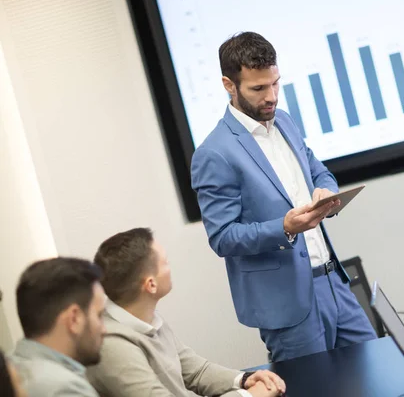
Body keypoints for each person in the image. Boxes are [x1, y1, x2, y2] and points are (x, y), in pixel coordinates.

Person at [190, 31, 377, 362]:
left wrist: (327, 190)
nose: (271, 96)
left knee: (378, 373)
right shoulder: (214, 154)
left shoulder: (285, 121)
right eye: (259, 88)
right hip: (288, 304)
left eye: (275, 84)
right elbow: (222, 237)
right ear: (229, 85)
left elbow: (319, 171)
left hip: (334, 282)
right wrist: (285, 227)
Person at [86, 227, 285, 397]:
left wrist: (244, 380)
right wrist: (248, 395)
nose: (169, 268)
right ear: (151, 285)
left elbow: (196, 372)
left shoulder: (146, 317)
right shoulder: (111, 346)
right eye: (165, 263)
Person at [10, 258, 105, 397]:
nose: (104, 329)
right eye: (99, 315)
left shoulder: (10, 369)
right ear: (74, 319)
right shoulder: (66, 389)